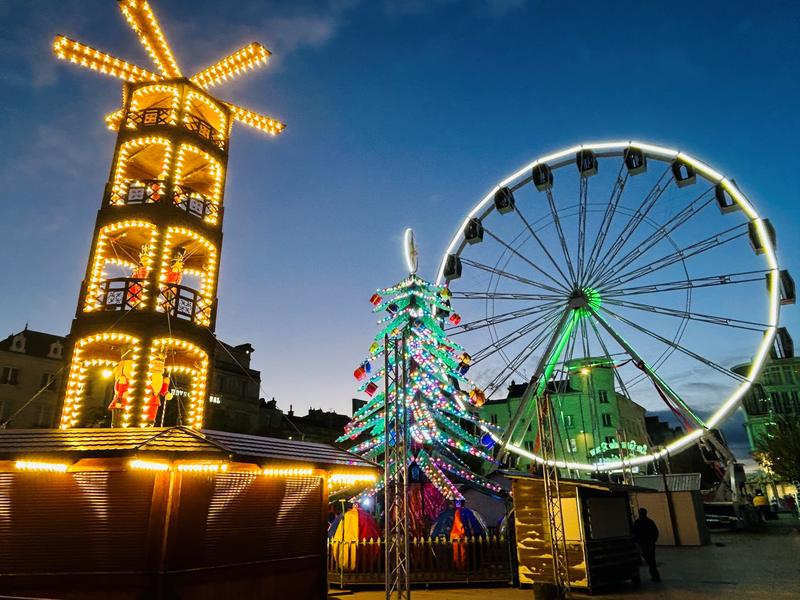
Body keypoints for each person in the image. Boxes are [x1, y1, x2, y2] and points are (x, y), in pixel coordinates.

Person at [633, 507, 661, 582]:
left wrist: (638, 542)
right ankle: (655, 576)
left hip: (643, 545)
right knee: (652, 560)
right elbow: (656, 532)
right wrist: (653, 541)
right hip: (650, 544)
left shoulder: (637, 523)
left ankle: (655, 575)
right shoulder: (650, 522)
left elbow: (635, 533)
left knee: (648, 560)